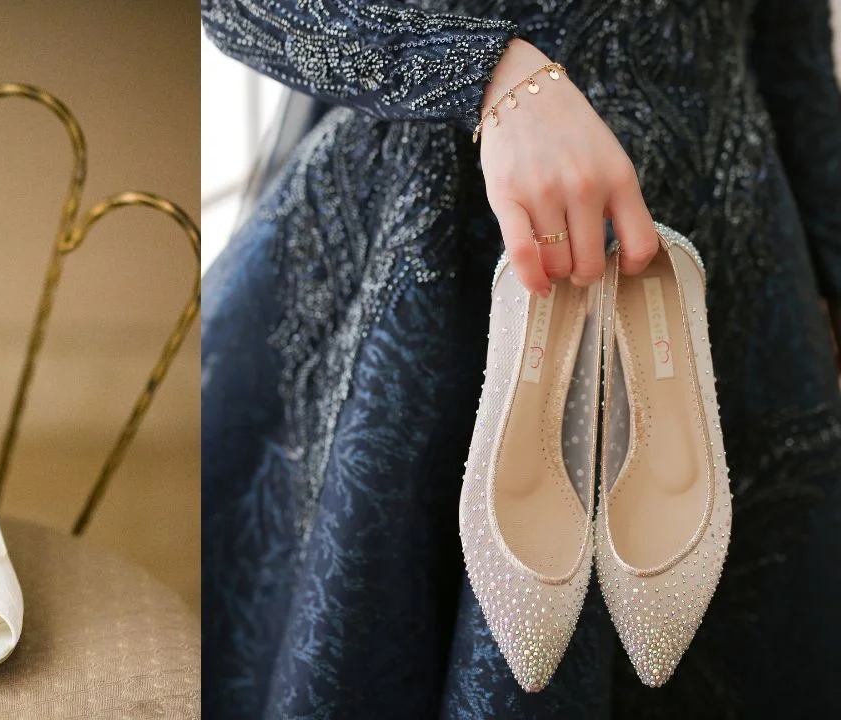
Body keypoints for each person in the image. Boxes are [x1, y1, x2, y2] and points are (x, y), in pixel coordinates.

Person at [200, 1, 841, 716]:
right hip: (442, 251)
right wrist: (487, 74)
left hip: (729, 255)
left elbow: (793, 51)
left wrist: (832, 261)